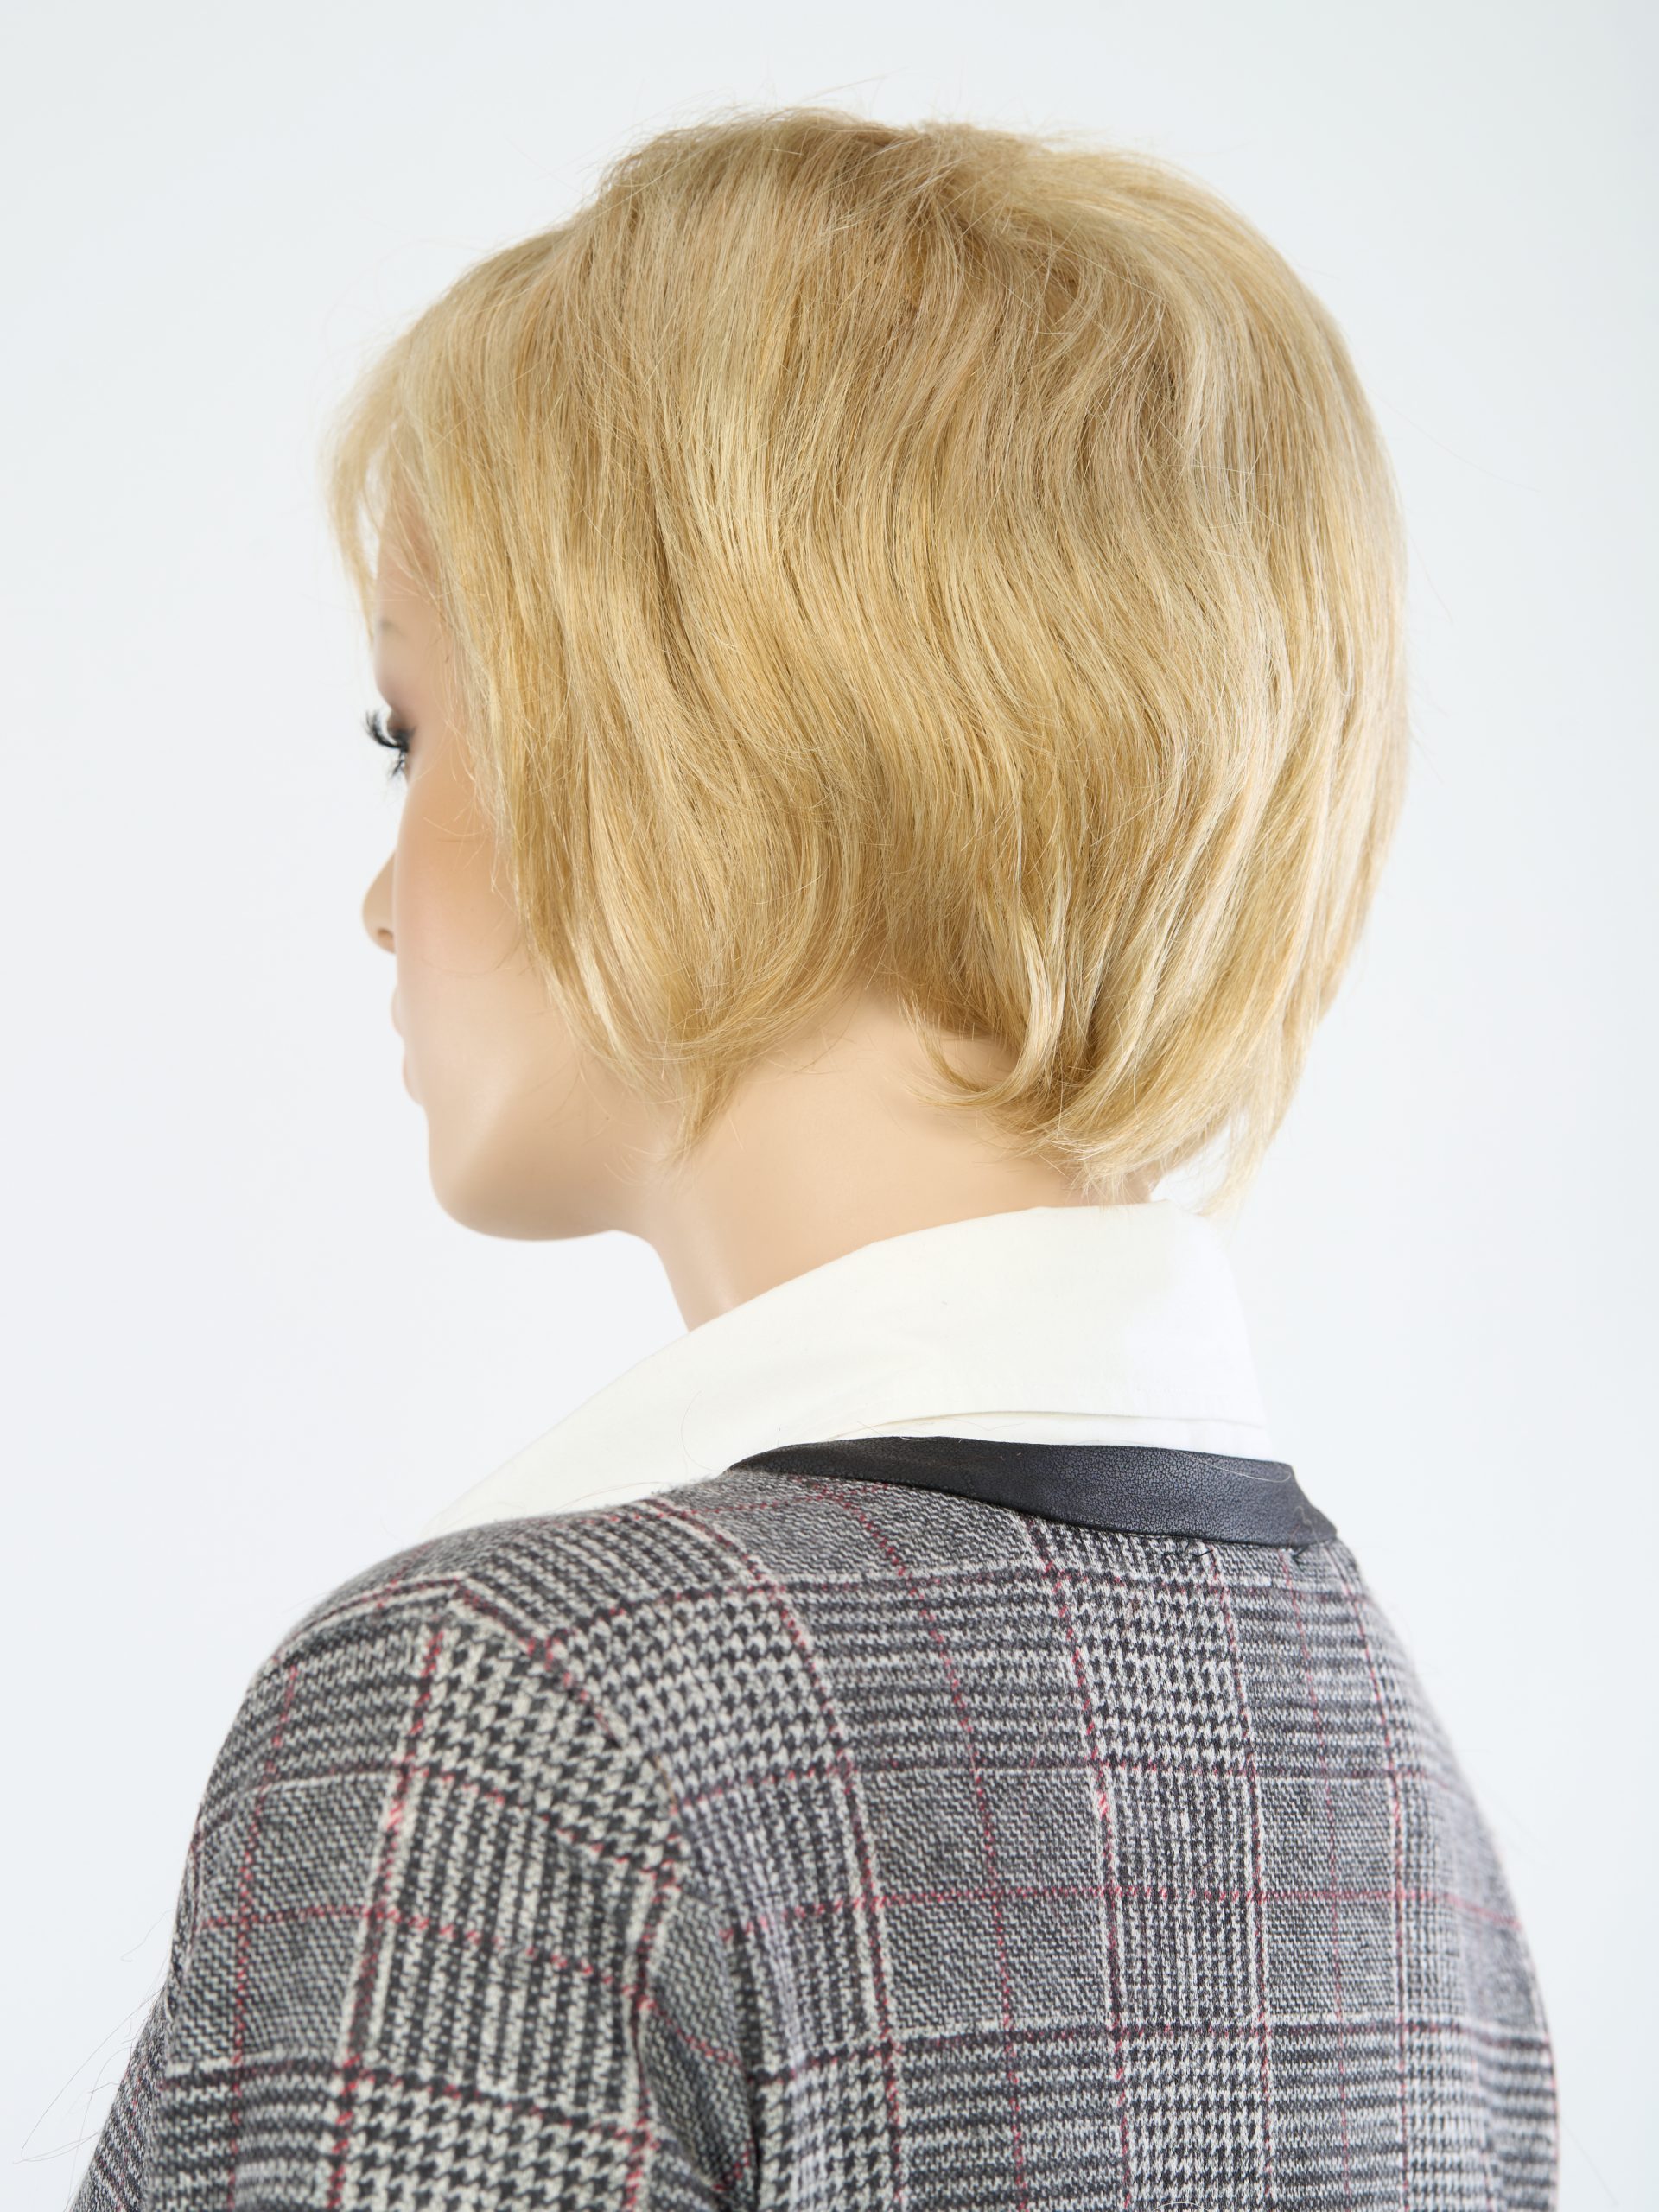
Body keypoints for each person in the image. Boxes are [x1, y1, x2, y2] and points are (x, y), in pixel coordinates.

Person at [71, 107, 1556, 2211]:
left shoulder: (504, 1715)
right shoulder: (1372, 1757)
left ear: (694, 756)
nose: (383, 898)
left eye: (415, 736)